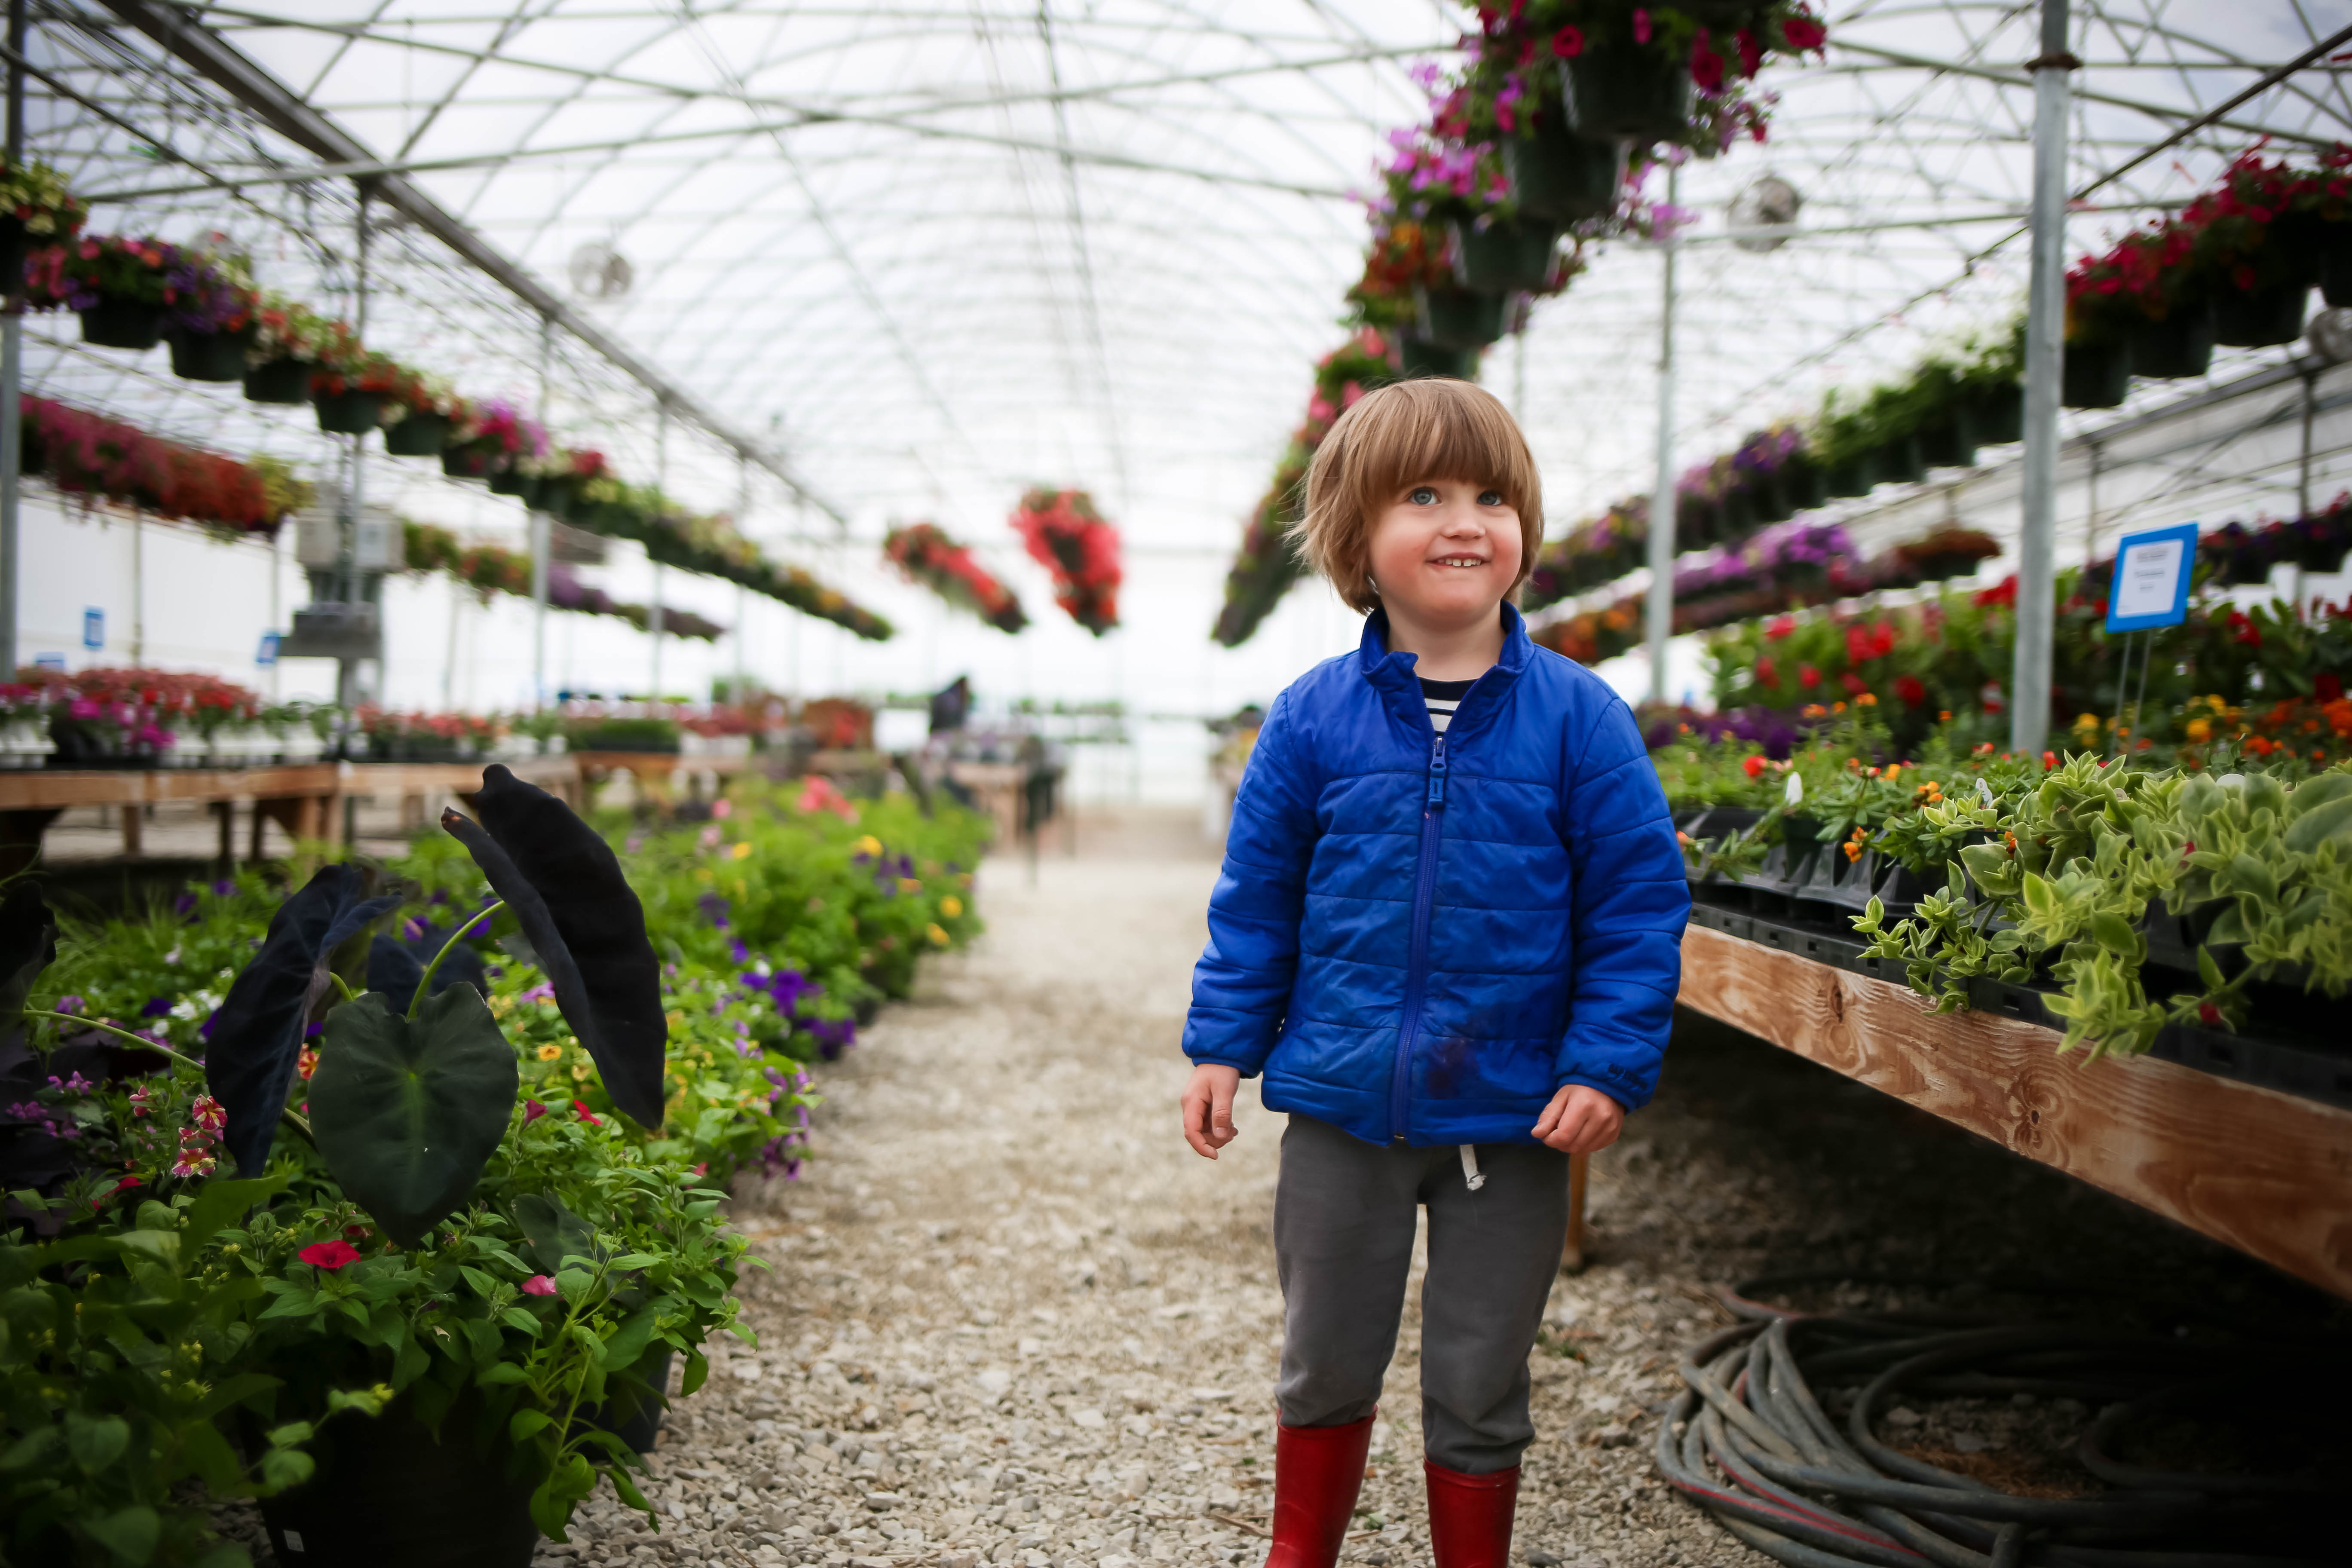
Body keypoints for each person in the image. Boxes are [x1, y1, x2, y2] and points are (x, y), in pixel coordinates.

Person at [1178, 378, 1689, 1568]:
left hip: (1510, 1126)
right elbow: (1257, 905)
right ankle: (1298, 1553)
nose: (1466, 521)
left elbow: (1636, 906)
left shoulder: (1580, 722)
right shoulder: (1311, 722)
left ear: (1524, 531)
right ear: (1358, 539)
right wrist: (1221, 1046)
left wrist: (1607, 1064)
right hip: (1344, 1113)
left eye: (1492, 495)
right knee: (1326, 1355)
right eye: (1424, 495)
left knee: (1479, 1369)